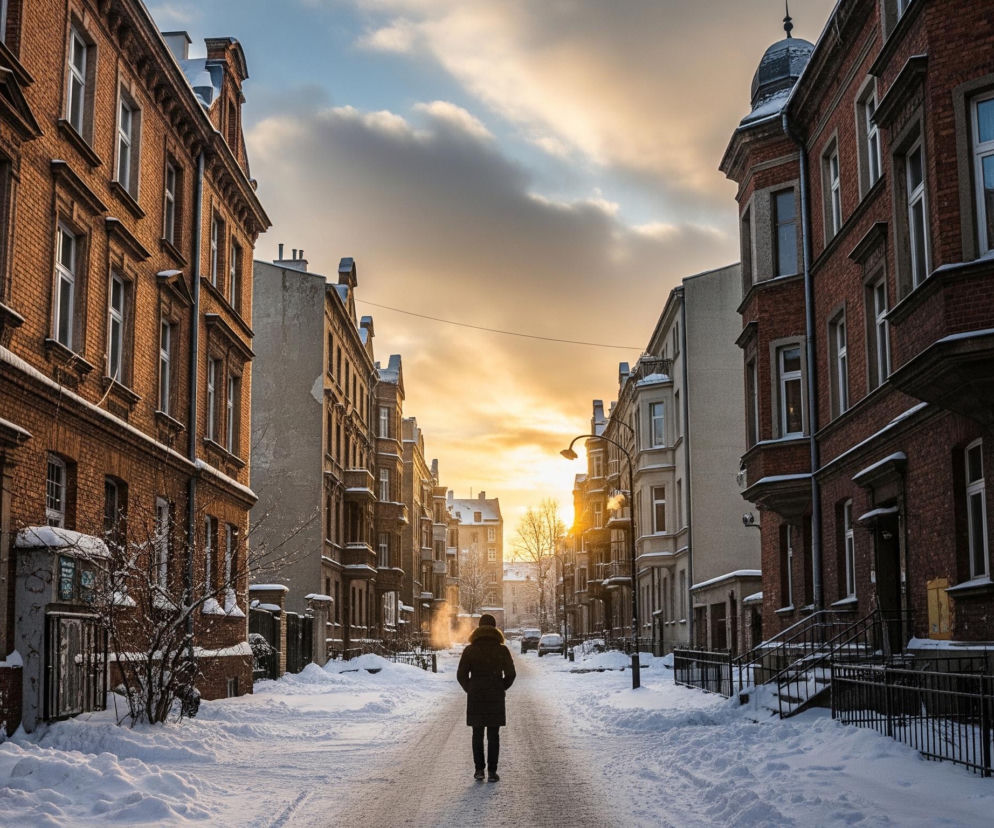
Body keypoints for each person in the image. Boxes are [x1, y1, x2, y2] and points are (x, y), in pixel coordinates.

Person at [457, 614, 516, 782]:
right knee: (493, 734)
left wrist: (470, 688)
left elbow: (461, 674)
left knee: (477, 733)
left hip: (476, 695)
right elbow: (511, 674)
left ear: (479, 628)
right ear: (495, 628)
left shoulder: (470, 649)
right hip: (495, 695)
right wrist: (500, 686)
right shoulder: (501, 649)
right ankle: (492, 771)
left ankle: (478, 770)